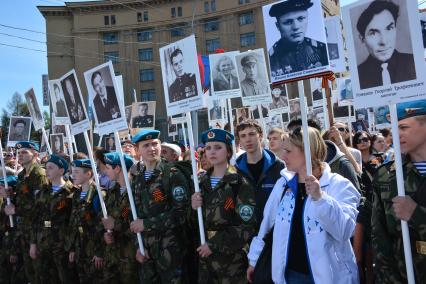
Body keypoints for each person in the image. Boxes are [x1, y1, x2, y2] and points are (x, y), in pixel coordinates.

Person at [247, 127, 360, 283]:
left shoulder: (339, 185)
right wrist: (254, 260)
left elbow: (344, 230)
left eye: (288, 151)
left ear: (308, 152)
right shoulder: (283, 184)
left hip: (330, 278)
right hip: (290, 276)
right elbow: (266, 224)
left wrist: (320, 198)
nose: (283, 155)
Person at [191, 129, 256, 282]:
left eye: (218, 147)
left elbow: (246, 226)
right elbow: (192, 223)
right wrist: (193, 207)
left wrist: (213, 245)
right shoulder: (200, 183)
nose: (212, 152)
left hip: (231, 261)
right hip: (205, 260)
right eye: (208, 148)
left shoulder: (239, 182)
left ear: (228, 151)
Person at [372, 100, 426, 283]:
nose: (396, 134)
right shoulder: (386, 175)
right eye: (394, 127)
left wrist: (416, 214)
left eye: (403, 127)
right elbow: (380, 239)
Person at [129, 129, 190, 283]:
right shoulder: (138, 179)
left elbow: (180, 213)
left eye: (155, 144)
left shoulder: (172, 174)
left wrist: (146, 224)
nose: (152, 148)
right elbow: (135, 215)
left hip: (169, 251)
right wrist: (139, 246)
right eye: (146, 145)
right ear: (137, 150)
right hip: (147, 253)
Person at [3, 141, 48, 283]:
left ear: (35, 155)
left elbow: (41, 206)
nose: (20, 155)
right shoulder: (23, 175)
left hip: (37, 230)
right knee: (30, 274)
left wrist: (15, 209)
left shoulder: (39, 174)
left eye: (24, 152)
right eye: (19, 152)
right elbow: (25, 198)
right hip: (25, 229)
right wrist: (11, 195)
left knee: (39, 274)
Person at [31, 155, 76, 283]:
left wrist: (71, 247)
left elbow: (73, 222)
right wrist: (33, 244)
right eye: (46, 168)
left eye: (51, 168)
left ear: (61, 171)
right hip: (43, 244)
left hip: (62, 246)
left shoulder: (71, 192)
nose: (47, 171)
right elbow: (36, 219)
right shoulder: (42, 192)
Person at [235, 119, 285, 229]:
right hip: (246, 235)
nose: (248, 139)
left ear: (261, 136)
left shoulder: (279, 167)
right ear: (240, 141)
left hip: (274, 232)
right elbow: (228, 203)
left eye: (252, 134)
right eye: (243, 136)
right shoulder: (235, 171)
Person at [356, 0, 416, 89]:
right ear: (362, 39)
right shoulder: (357, 74)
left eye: (389, 28)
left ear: (395, 29)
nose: (384, 41)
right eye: (373, 33)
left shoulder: (414, 62)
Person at [101, 152, 139, 283]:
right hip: (113, 255)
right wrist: (107, 234)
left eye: (108, 168)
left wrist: (115, 225)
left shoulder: (137, 190)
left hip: (131, 255)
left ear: (117, 168)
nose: (105, 172)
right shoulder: (112, 192)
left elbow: (140, 224)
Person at [66, 159, 104, 283]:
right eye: (72, 172)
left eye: (77, 172)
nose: (73, 175)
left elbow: (101, 226)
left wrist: (99, 252)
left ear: (88, 174)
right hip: (79, 247)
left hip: (93, 248)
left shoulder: (99, 194)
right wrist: (71, 247)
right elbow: (73, 223)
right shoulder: (76, 194)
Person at [268, 0, 328, 76]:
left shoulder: (321, 50)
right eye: (288, 22)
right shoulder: (270, 58)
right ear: (278, 26)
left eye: (300, 18)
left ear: (307, 18)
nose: (296, 27)